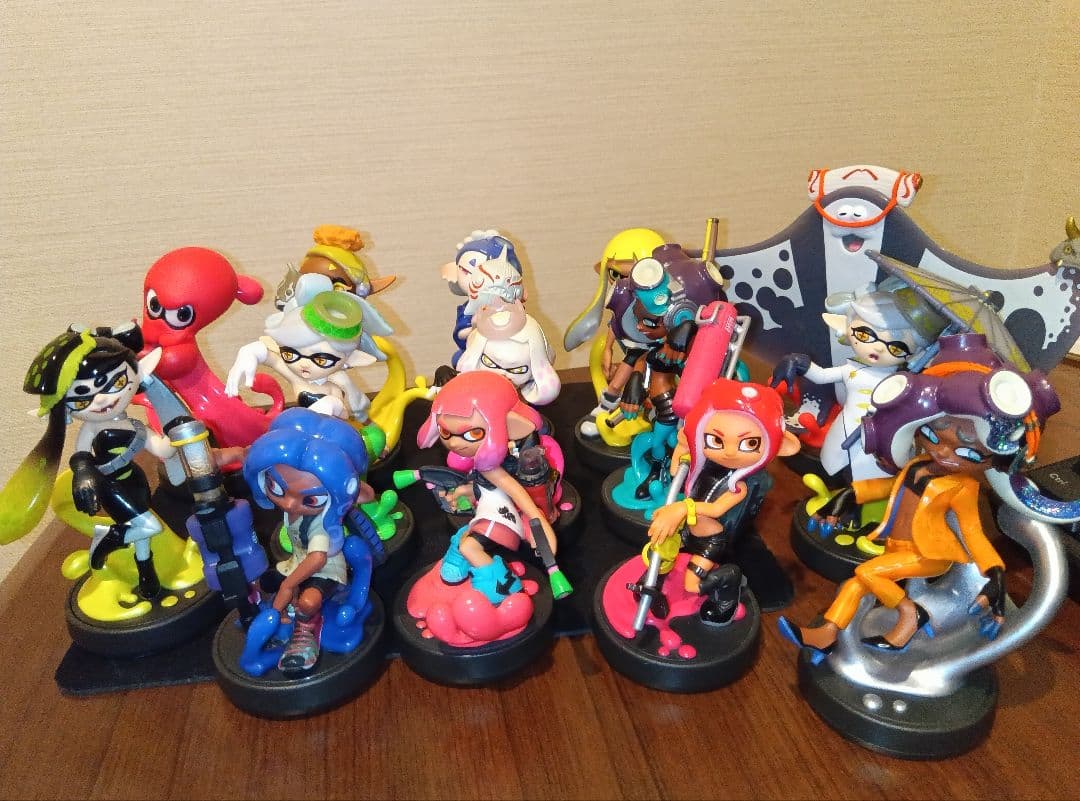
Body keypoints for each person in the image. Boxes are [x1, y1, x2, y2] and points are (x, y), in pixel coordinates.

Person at [778, 334, 1060, 654]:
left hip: (929, 555)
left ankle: (911, 614)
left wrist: (995, 573)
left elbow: (972, 532)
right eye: (932, 435)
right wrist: (847, 497)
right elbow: (888, 488)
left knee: (866, 571)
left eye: (968, 453)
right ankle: (826, 636)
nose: (943, 453)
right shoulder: (916, 464)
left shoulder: (963, 487)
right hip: (898, 545)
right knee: (856, 586)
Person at [643, 378, 799, 623]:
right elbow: (675, 474)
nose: (729, 451)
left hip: (710, 541)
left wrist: (683, 508)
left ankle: (729, 583)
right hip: (688, 532)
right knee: (662, 557)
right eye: (716, 440)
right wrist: (682, 448)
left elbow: (715, 509)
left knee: (691, 584)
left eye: (749, 443)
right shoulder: (704, 466)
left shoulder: (739, 486)